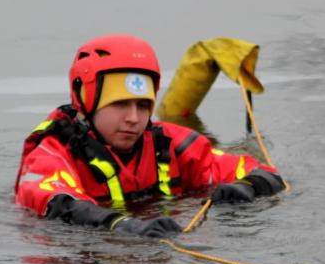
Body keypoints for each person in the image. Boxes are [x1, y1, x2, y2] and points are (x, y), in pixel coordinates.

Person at [15, 34, 286, 238]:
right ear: (85, 100)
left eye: (143, 105)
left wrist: (248, 186)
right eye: (120, 104)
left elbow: (265, 173)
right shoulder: (51, 154)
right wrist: (125, 226)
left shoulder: (171, 143)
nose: (134, 118)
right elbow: (56, 202)